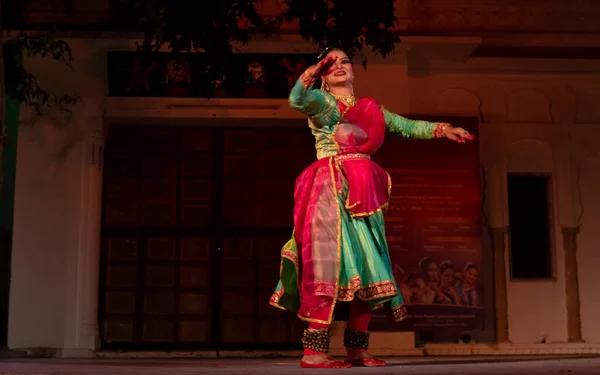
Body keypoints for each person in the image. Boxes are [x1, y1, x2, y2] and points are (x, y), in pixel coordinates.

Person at [269, 46, 474, 369]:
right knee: (330, 264)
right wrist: (311, 70)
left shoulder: (371, 108)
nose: (338, 67)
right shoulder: (322, 103)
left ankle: (356, 350)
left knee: (368, 266)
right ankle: (315, 352)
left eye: (344, 61)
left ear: (354, 70)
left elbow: (406, 126)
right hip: (329, 190)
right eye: (330, 64)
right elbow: (297, 99)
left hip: (364, 193)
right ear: (323, 75)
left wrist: (443, 129)